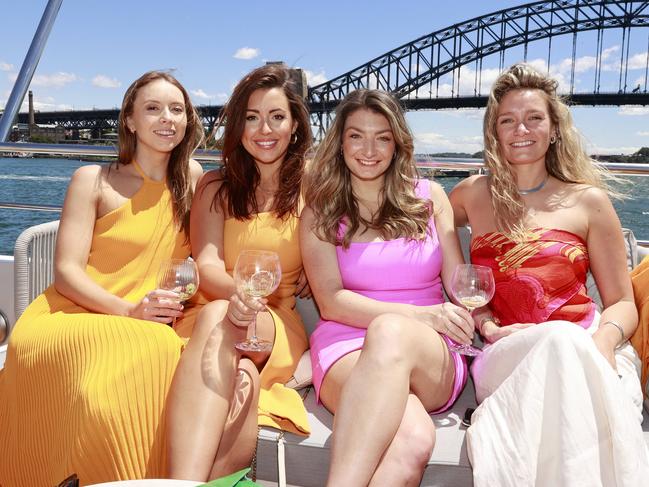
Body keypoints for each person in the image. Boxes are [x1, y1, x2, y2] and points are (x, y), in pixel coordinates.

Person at [0, 70, 204, 486]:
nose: (167, 118)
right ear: (129, 120)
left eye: (176, 109)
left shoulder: (195, 180)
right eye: (153, 108)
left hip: (157, 317)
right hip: (76, 312)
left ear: (187, 121)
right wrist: (129, 311)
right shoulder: (92, 179)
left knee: (160, 354)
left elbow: (202, 257)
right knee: (124, 368)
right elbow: (67, 273)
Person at [449, 63, 649, 486]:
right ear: (494, 132)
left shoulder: (588, 202)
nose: (521, 129)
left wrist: (602, 344)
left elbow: (622, 304)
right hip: (505, 351)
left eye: (534, 117)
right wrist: (482, 321)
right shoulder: (469, 195)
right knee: (561, 346)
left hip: (587, 345)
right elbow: (421, 243)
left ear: (554, 129)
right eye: (508, 120)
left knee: (565, 346)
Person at [300, 88, 472, 486]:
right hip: (346, 346)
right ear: (340, 143)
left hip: (429, 348)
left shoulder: (431, 199)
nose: (369, 149)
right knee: (411, 441)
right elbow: (331, 303)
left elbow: (460, 284)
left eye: (382, 137)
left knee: (390, 331)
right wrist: (422, 314)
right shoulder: (319, 212)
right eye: (356, 135)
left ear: (397, 143)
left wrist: (490, 323)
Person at [166, 63, 313, 481]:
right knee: (240, 375)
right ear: (238, 126)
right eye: (251, 117)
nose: (263, 129)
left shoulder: (314, 185)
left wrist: (317, 274)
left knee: (219, 320)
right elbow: (206, 265)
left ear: (296, 126)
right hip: (210, 308)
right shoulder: (215, 186)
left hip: (274, 321)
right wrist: (239, 296)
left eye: (276, 116)